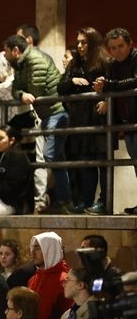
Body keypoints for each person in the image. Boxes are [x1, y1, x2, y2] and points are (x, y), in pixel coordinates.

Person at [5, 33, 71, 213]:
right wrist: (21, 94)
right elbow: (15, 89)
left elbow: (35, 90)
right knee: (55, 159)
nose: (5, 56)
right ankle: (63, 201)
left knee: (52, 157)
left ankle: (65, 201)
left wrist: (24, 92)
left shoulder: (35, 60)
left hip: (56, 112)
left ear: (16, 51)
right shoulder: (21, 64)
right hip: (47, 115)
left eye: (6, 52)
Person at [58, 27, 109, 214]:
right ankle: (86, 203)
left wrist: (107, 100)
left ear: (93, 43)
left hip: (100, 119)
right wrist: (72, 82)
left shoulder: (105, 62)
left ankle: (105, 202)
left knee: (103, 164)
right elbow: (60, 88)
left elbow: (114, 87)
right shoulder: (75, 66)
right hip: (80, 121)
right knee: (85, 164)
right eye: (78, 42)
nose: (79, 46)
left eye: (84, 42)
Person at [93, 28, 137, 214]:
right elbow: (110, 87)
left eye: (120, 46)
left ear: (130, 44)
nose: (117, 51)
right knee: (136, 163)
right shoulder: (111, 64)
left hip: (133, 119)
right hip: (128, 121)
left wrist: (108, 87)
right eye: (112, 48)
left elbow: (135, 82)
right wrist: (106, 95)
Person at [27, 231, 72, 319]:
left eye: (37, 248)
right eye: (32, 248)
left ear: (50, 250)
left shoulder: (65, 281)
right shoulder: (33, 279)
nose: (32, 252)